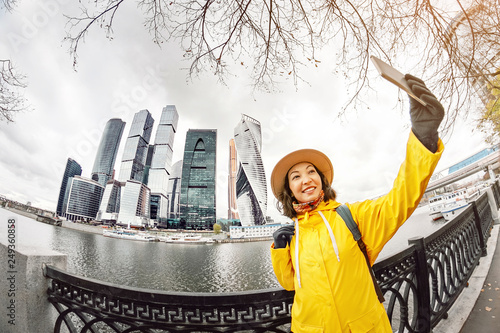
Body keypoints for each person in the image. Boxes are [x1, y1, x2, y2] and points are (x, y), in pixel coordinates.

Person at [270, 74, 445, 332]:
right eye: (296, 176)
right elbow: (290, 283)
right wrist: (279, 250)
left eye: (311, 172)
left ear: (321, 180)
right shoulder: (293, 237)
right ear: (290, 191)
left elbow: (401, 198)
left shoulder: (351, 217)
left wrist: (423, 138)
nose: (306, 179)